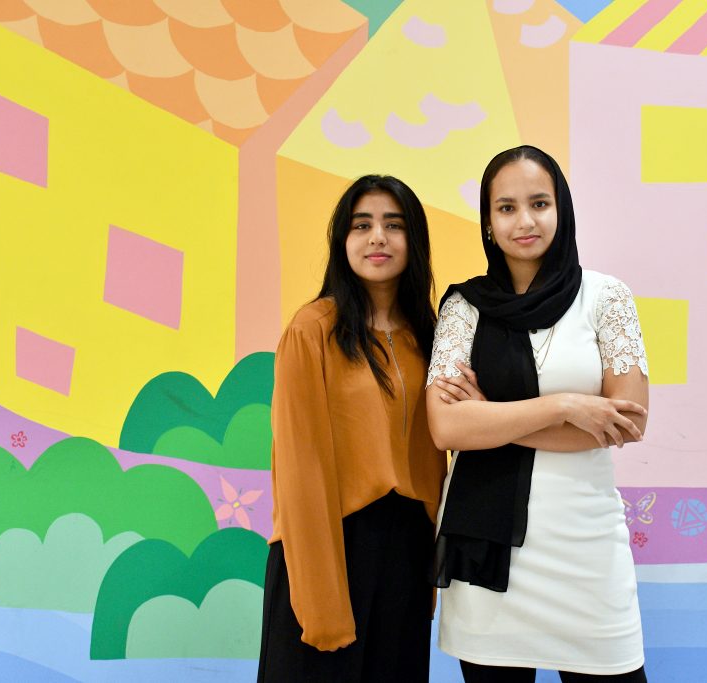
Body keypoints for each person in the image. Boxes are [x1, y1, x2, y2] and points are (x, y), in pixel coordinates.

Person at [426, 146, 650, 682]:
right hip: (489, 555)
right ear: (487, 222)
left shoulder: (605, 298)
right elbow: (447, 427)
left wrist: (495, 422)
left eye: (539, 203)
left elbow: (627, 422)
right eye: (505, 208)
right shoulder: (464, 308)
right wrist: (569, 406)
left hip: (585, 543)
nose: (524, 221)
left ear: (562, 209)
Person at [258, 175, 446, 682]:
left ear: (415, 241)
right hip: (328, 546)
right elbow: (301, 470)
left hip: (405, 553)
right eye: (362, 225)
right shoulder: (312, 329)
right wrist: (321, 602)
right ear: (343, 241)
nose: (377, 238)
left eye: (393, 225)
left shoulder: (430, 337)